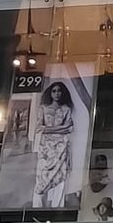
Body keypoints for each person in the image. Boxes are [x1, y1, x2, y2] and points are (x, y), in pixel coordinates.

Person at [33, 79, 77, 209]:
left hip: (61, 149)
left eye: (59, 91)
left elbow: (70, 128)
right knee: (41, 178)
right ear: (50, 93)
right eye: (54, 91)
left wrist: (50, 129)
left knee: (60, 178)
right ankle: (37, 208)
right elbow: (39, 128)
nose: (57, 93)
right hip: (46, 149)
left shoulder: (66, 109)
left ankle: (57, 209)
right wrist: (61, 128)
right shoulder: (43, 108)